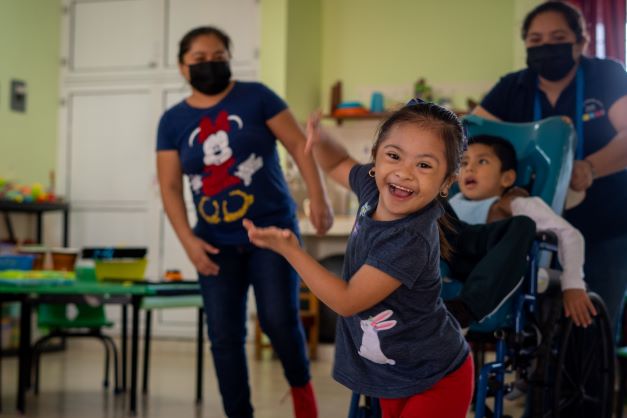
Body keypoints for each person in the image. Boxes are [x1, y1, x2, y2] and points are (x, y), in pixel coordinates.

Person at [243, 101, 473, 418]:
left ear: (447, 182)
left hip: (436, 375)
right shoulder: (372, 189)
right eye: (394, 156)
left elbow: (347, 301)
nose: (404, 172)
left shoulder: (410, 240)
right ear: (376, 160)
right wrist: (321, 140)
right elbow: (337, 161)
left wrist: (292, 251)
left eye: (424, 165)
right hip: (393, 374)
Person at [156, 26, 333, 418]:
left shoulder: (257, 97)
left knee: (278, 321)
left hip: (273, 235)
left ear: (230, 57)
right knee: (223, 336)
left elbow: (299, 148)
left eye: (218, 55)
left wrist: (317, 197)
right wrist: (187, 241)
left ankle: (303, 394)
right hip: (214, 241)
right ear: (182, 67)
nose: (209, 64)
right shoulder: (172, 121)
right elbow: (169, 187)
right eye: (199, 59)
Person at [472, 1, 627, 334]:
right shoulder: (512, 87)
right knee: (535, 327)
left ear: (581, 41)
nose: (546, 48)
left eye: (557, 37)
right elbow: (471, 134)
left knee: (594, 325)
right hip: (538, 229)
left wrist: (590, 168)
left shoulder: (607, 75)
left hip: (606, 226)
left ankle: (596, 384)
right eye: (536, 41)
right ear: (526, 45)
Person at [449, 134, 596, 327]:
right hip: (450, 263)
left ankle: (465, 309)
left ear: (507, 178)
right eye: (464, 162)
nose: (469, 168)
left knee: (523, 224)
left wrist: (573, 283)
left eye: (482, 161)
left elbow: (569, 234)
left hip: (494, 271)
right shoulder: (449, 204)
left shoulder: (517, 203)